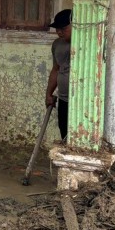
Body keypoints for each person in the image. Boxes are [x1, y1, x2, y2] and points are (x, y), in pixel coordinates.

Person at [46, 9, 72, 142]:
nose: (59, 32)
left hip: (79, 102)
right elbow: (56, 69)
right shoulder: (57, 44)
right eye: (57, 29)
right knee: (64, 134)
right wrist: (49, 94)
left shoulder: (86, 44)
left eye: (63, 28)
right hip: (63, 99)